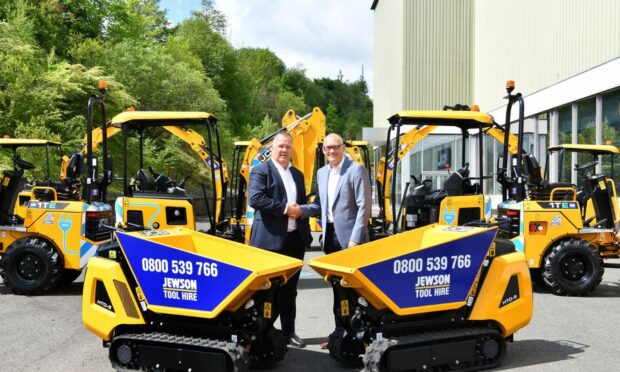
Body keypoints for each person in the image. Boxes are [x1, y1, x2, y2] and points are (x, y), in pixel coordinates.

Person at [301, 133, 372, 349]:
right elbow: (321, 205)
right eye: (327, 148)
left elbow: (364, 206)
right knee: (336, 289)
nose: (331, 151)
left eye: (336, 147)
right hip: (330, 238)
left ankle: (359, 337)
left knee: (354, 291)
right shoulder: (322, 173)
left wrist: (355, 240)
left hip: (350, 240)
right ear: (323, 150)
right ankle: (338, 336)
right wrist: (299, 210)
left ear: (343, 148)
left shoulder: (355, 169)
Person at [248, 131, 311, 348]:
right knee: (266, 290)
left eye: (288, 147)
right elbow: (256, 199)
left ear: (292, 149)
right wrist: (286, 209)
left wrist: (302, 210)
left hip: (295, 240)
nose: (284, 150)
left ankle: (289, 332)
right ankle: (262, 333)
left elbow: (301, 204)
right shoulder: (260, 171)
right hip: (269, 241)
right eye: (280, 146)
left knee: (290, 290)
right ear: (272, 149)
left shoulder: (298, 175)